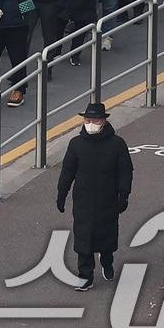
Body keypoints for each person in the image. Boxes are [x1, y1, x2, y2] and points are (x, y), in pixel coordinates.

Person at [57, 102, 133, 291]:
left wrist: (124, 195)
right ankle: (85, 276)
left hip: (108, 199)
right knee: (83, 238)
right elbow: (68, 170)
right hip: (83, 199)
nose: (91, 123)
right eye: (87, 119)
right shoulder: (76, 144)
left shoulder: (117, 144)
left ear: (104, 121)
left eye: (95, 120)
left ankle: (107, 261)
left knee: (106, 236)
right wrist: (61, 193)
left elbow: (125, 171)